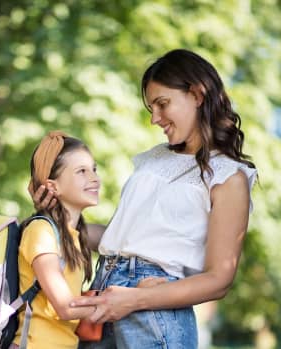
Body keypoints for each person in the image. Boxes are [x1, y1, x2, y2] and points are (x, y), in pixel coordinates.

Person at [32, 49, 258, 348]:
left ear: (197, 94)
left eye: (163, 104)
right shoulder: (153, 159)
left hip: (153, 309)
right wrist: (55, 217)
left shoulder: (228, 176)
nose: (155, 118)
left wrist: (135, 299)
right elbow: (117, 237)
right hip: (104, 295)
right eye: (152, 107)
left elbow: (219, 279)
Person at [11, 131, 101, 348]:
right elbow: (66, 307)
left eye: (94, 169)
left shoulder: (74, 236)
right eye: (81, 171)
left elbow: (119, 236)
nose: (94, 178)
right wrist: (116, 303)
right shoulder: (41, 231)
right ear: (53, 186)